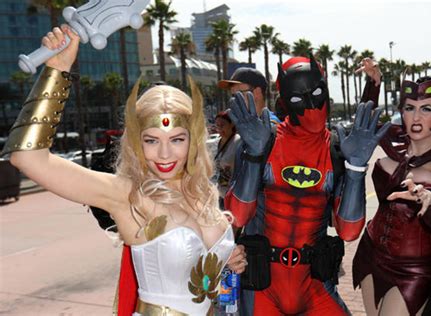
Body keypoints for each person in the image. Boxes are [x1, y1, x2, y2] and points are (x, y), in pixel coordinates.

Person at [1, 25, 247, 316]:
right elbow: (27, 159)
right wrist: (57, 71)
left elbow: (197, 277)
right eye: (152, 140)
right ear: (135, 143)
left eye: (176, 139)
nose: (165, 153)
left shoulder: (202, 191)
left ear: (192, 140)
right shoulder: (128, 195)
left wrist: (226, 259)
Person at [225, 55, 389, 315]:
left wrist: (356, 167)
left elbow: (348, 231)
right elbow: (238, 215)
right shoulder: (264, 141)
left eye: (315, 92)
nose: (311, 105)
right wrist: (254, 154)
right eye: (297, 98)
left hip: (313, 284)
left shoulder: (336, 148)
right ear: (284, 101)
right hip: (262, 284)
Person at [352, 69, 431, 316]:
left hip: (413, 269)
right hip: (371, 253)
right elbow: (365, 123)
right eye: (409, 108)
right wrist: (373, 85)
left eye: (426, 109)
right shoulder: (395, 144)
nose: (416, 117)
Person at [213, 111, 240, 208]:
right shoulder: (217, 142)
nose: (219, 128)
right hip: (221, 193)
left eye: (222, 125)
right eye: (217, 126)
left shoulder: (238, 142)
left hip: (234, 194)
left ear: (232, 124)